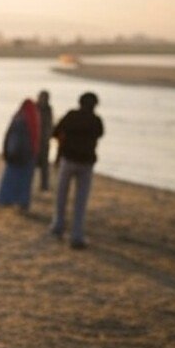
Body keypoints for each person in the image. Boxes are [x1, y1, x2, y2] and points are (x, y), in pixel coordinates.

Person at [50, 92, 104, 249]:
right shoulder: (96, 121)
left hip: (68, 159)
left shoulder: (71, 116)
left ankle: (57, 226)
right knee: (80, 201)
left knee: (61, 195)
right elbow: (100, 135)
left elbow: (55, 132)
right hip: (86, 163)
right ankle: (76, 235)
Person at [0, 98, 41, 210]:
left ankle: (5, 200)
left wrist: (6, 151)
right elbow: (35, 139)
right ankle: (22, 202)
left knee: (10, 179)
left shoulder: (17, 118)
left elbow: (9, 136)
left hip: (14, 155)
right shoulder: (33, 119)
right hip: (27, 156)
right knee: (24, 182)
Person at [35, 90, 54, 191]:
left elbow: (50, 125)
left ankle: (44, 186)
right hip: (34, 141)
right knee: (31, 164)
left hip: (44, 142)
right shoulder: (34, 108)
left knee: (44, 166)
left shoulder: (48, 109)